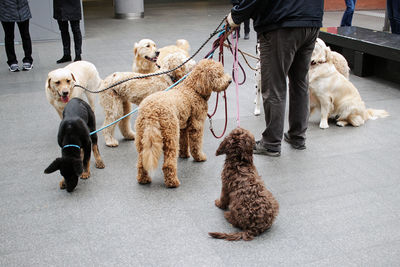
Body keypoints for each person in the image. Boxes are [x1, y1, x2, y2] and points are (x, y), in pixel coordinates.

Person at [227, 0, 324, 157]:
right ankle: (297, 136)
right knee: (300, 83)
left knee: (274, 85)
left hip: (281, 23)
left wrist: (235, 16)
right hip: (311, 20)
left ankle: (271, 142)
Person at [0, 0, 33, 72]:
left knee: (25, 34)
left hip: (23, 9)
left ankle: (28, 59)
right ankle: (12, 61)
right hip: (6, 10)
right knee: (9, 36)